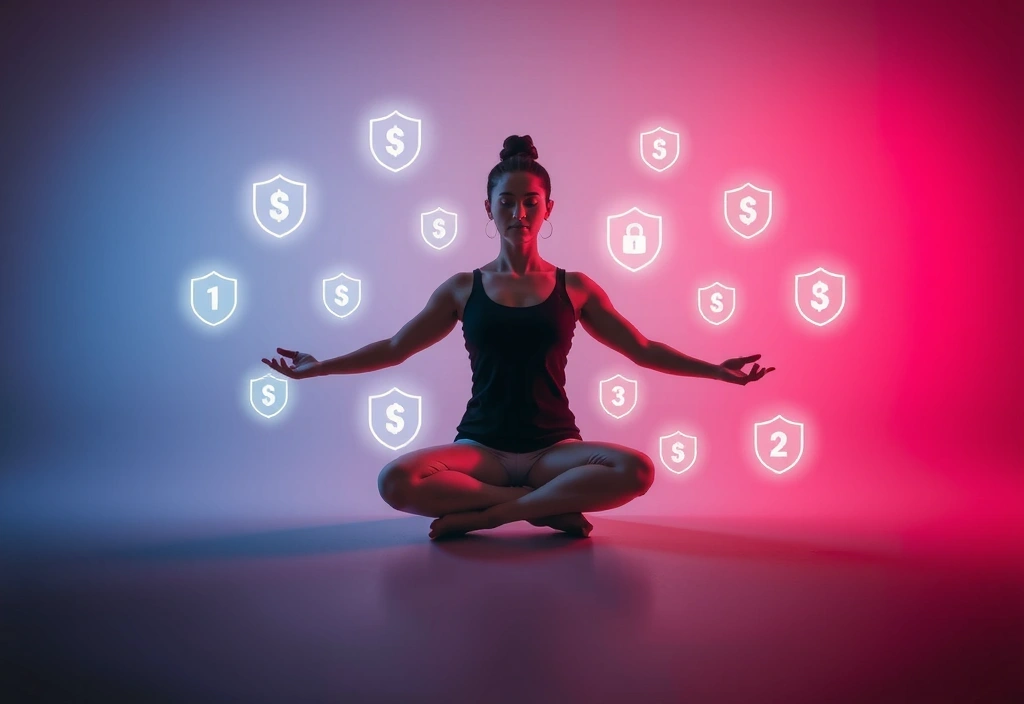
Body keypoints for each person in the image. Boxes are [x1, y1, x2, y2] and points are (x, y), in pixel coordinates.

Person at [262, 134, 774, 540]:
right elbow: (397, 348)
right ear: (488, 209)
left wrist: (716, 370)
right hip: (481, 449)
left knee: (636, 470)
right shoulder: (462, 288)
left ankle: (489, 515)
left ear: (549, 207)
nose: (519, 214)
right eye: (506, 202)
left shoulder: (575, 287)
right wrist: (320, 367)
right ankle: (543, 508)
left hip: (554, 450)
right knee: (395, 481)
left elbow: (640, 349)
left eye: (531, 202)